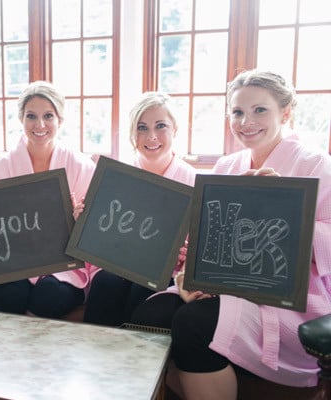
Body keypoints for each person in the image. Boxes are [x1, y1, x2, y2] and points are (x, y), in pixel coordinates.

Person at [132, 70, 331, 399]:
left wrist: (283, 204)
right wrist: (191, 278)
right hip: (225, 289)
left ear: (285, 112)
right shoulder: (226, 166)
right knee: (151, 316)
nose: (246, 121)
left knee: (193, 324)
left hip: (285, 303)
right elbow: (208, 239)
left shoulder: (317, 166)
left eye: (259, 110)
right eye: (237, 112)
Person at [0, 80, 96, 319]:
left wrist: (80, 219)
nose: (40, 124)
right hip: (14, 261)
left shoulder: (81, 166)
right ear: (21, 120)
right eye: (31, 116)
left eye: (48, 116)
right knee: (8, 294)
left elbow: (95, 223)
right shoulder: (1, 167)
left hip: (63, 265)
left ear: (60, 120)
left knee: (50, 295)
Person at [82, 91, 196, 327]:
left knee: (143, 287)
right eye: (142, 128)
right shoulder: (119, 175)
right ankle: (96, 355)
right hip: (118, 261)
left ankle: (141, 360)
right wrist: (84, 220)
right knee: (106, 282)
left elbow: (198, 243)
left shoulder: (192, 180)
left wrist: (185, 253)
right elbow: (104, 231)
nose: (151, 136)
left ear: (175, 129)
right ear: (133, 134)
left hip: (167, 270)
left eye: (160, 126)